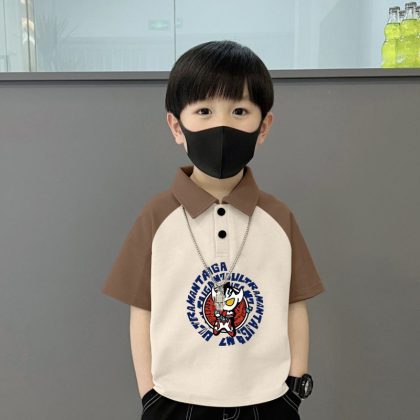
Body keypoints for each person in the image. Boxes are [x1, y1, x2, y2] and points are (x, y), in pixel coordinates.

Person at [102, 40, 326, 420]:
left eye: (239, 111)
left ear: (263, 127)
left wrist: (294, 387)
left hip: (268, 401)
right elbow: (142, 310)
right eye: (204, 111)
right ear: (177, 126)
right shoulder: (156, 217)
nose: (222, 126)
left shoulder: (278, 217)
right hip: (176, 401)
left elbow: (295, 304)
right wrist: (149, 394)